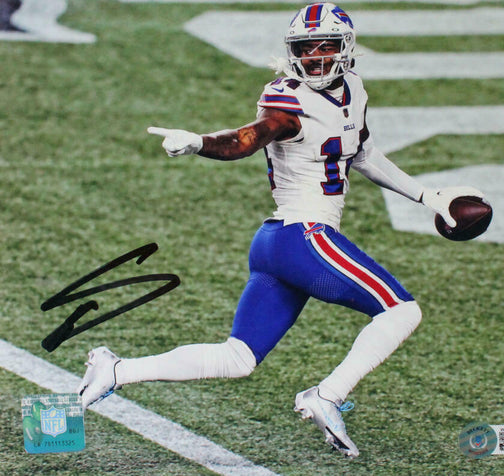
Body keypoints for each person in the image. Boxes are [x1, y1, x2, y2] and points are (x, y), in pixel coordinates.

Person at [78, 2, 483, 458]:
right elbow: (244, 139)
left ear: (345, 48)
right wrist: (199, 143)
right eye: (306, 49)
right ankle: (326, 395)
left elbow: (364, 154)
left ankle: (117, 370)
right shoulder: (286, 101)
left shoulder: (352, 88)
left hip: (277, 244)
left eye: (325, 47)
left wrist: (427, 196)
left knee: (238, 358)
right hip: (303, 236)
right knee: (401, 311)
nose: (315, 57)